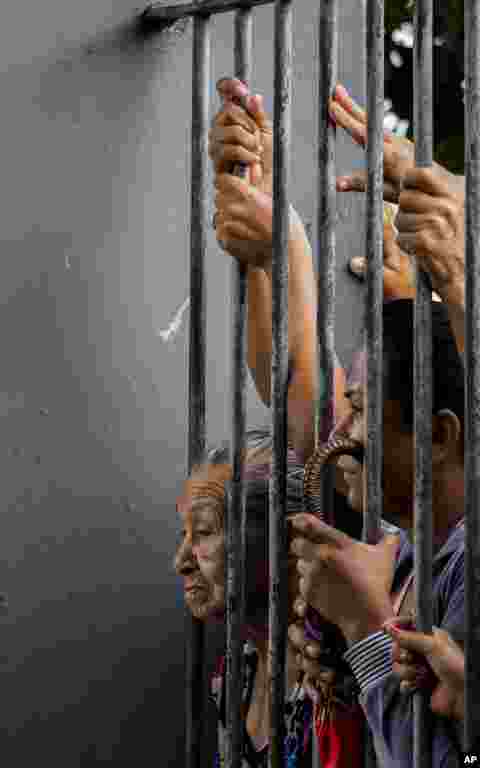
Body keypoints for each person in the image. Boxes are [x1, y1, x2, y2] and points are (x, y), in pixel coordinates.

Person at [212, 77, 469, 766]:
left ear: (440, 436)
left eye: (359, 409)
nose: (340, 433)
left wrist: (366, 626)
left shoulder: (462, 565)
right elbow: (298, 380)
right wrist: (279, 244)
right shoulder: (400, 543)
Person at [175, 430, 362, 768]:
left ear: (290, 538)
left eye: (203, 532)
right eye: (184, 533)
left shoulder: (342, 681)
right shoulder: (236, 672)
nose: (181, 562)